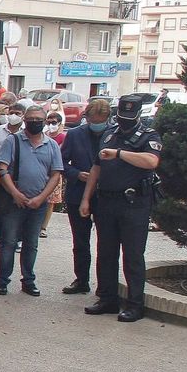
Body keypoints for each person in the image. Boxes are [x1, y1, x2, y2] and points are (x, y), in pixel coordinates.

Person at [81, 94, 162, 322]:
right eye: (121, 116)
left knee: (133, 255)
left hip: (134, 203)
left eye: (129, 117)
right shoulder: (109, 133)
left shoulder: (149, 135)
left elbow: (151, 161)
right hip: (106, 202)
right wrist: (87, 199)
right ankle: (107, 299)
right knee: (106, 253)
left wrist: (119, 154)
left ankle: (135, 304)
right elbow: (96, 168)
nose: (124, 120)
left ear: (137, 115)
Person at [0, 105, 63, 297]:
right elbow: (2, 169)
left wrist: (41, 198)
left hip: (38, 203)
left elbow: (55, 174)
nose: (35, 123)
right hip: (14, 201)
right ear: (25, 120)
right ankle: (2, 281)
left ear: (44, 121)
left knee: (31, 243)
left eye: (39, 120)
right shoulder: (12, 141)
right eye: (31, 119)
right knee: (8, 242)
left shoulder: (51, 145)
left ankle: (28, 280)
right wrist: (15, 194)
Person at [60, 97, 109, 295]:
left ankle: (104, 285)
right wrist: (77, 174)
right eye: (92, 121)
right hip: (77, 193)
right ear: (86, 118)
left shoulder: (114, 134)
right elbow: (61, 163)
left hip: (105, 195)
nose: (96, 125)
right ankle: (81, 280)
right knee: (80, 241)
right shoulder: (74, 134)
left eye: (100, 122)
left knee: (106, 242)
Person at [40, 112, 67, 238]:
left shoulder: (63, 137)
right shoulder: (43, 136)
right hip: (43, 171)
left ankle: (43, 226)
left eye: (54, 122)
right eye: (49, 122)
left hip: (55, 172)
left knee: (51, 201)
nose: (51, 125)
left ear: (59, 124)